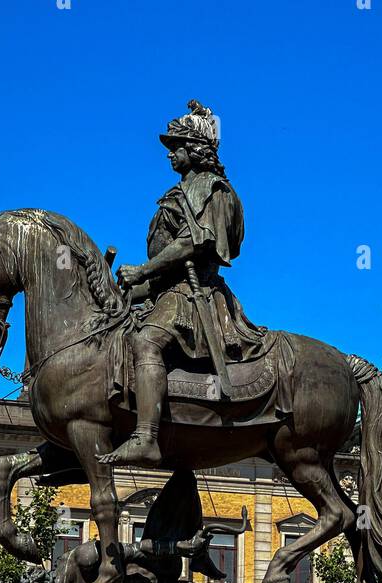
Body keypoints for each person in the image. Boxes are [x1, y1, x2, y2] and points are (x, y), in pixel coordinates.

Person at [101, 100, 265, 466]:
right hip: (170, 292)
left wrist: (142, 271)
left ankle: (146, 436)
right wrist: (128, 290)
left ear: (195, 150)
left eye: (175, 147)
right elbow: (165, 267)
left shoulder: (214, 190)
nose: (170, 155)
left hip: (195, 297)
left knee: (146, 342)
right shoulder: (178, 193)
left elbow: (197, 241)